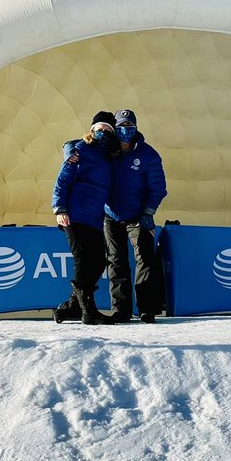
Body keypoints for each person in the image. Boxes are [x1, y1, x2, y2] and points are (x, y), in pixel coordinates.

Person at [50, 111, 118, 325]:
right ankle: (89, 310)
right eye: (100, 128)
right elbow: (63, 179)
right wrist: (59, 208)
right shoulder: (80, 150)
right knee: (82, 260)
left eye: (108, 129)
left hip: (95, 218)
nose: (104, 132)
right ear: (91, 131)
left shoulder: (109, 157)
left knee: (98, 261)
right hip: (74, 214)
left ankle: (71, 307)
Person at [104, 109, 167, 323]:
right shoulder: (106, 150)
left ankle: (147, 309)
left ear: (136, 128)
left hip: (138, 217)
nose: (125, 131)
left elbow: (158, 187)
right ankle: (121, 310)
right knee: (116, 261)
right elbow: (76, 147)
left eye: (129, 127)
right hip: (111, 216)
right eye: (121, 127)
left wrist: (148, 214)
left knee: (144, 260)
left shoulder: (148, 155)